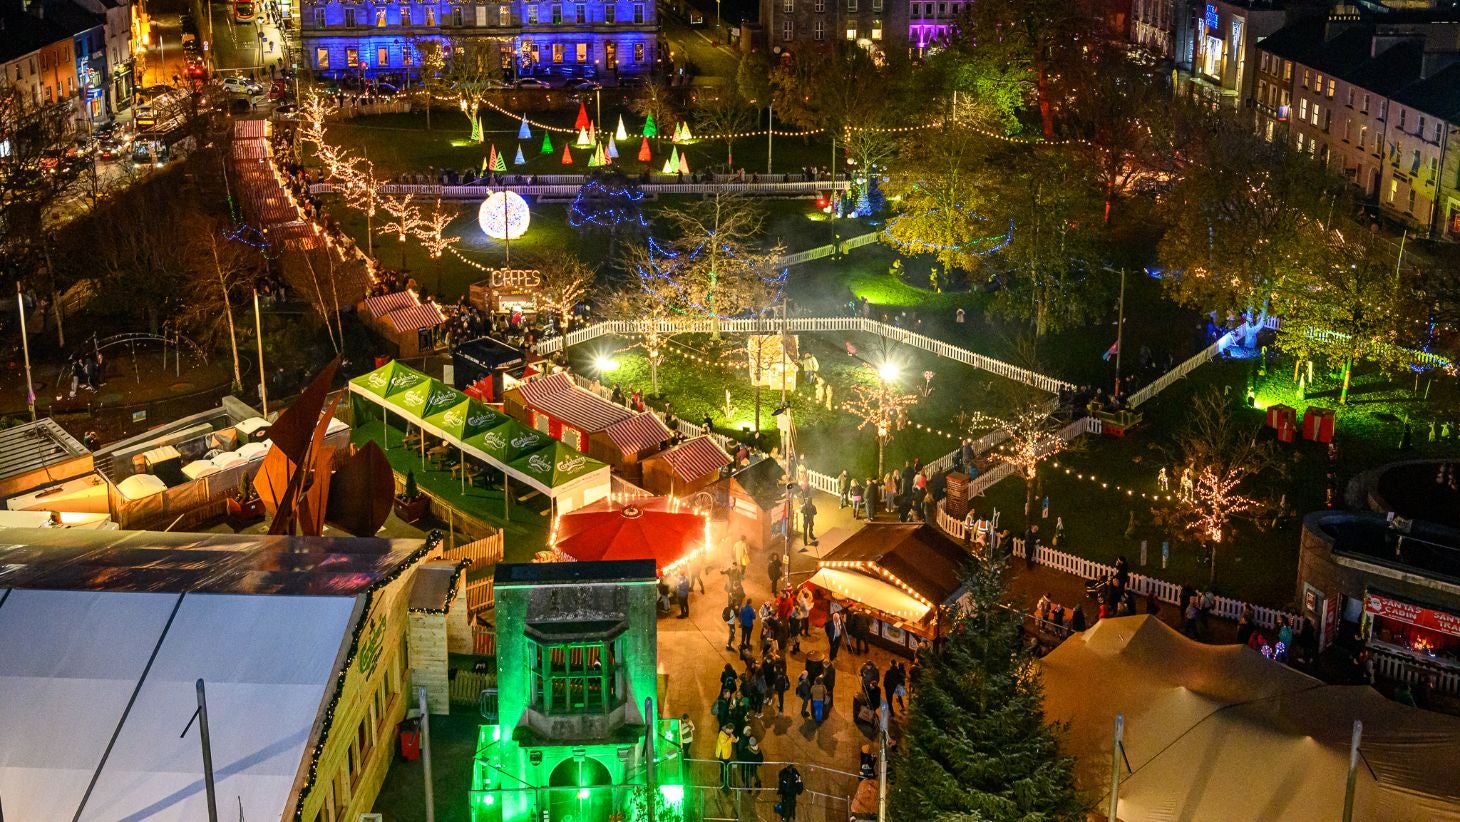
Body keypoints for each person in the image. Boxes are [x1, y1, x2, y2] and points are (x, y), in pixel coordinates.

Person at [715, 724, 737, 792]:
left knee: (724, 767)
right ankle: (724, 780)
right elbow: (724, 744)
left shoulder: (728, 733)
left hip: (726, 754)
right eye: (731, 731)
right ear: (728, 729)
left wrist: (734, 740)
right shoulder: (721, 734)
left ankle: (723, 777)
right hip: (723, 755)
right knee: (724, 767)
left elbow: (731, 738)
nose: (731, 732)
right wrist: (731, 739)